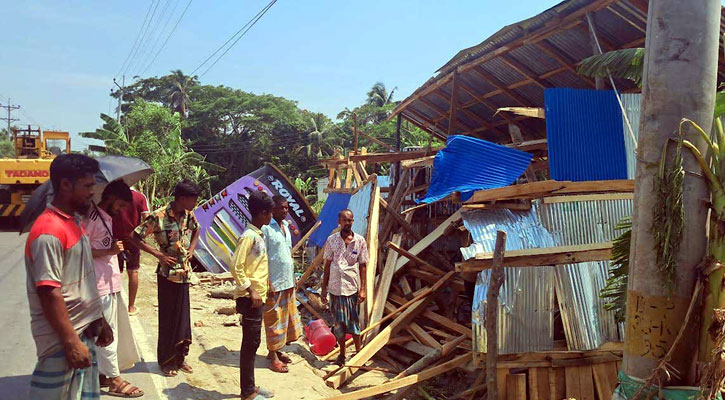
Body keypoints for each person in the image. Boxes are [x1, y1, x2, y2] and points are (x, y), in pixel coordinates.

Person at [25, 154, 113, 399]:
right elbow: (49, 291)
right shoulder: (48, 232)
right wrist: (71, 342)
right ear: (65, 184)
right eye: (86, 186)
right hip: (62, 339)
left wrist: (98, 319)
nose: (92, 192)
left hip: (83, 330)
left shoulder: (73, 222)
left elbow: (82, 280)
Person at [129, 179, 201, 377]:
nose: (195, 203)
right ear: (182, 198)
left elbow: (197, 230)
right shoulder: (158, 216)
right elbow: (134, 237)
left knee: (183, 320)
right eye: (193, 199)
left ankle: (180, 358)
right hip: (167, 275)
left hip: (184, 275)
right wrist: (158, 255)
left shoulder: (188, 215)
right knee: (168, 319)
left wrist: (192, 250)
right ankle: (166, 361)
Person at [86, 180, 144, 398]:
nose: (120, 210)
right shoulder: (92, 218)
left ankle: (103, 372)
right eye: (120, 205)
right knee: (106, 334)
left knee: (111, 331)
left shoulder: (105, 217)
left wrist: (111, 250)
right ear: (110, 198)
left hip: (110, 283)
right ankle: (114, 379)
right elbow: (79, 248)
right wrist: (108, 250)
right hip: (98, 285)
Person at [230, 191, 276, 400]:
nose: (271, 217)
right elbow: (236, 266)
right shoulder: (248, 237)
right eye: (269, 213)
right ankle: (247, 392)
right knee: (250, 344)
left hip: (258, 296)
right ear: (261, 213)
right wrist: (251, 289)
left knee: (253, 342)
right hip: (250, 299)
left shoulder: (258, 235)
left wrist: (267, 285)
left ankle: (251, 386)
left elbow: (256, 266)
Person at [260, 195, 303, 373]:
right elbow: (261, 257)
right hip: (274, 282)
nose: (285, 211)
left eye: (287, 208)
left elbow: (287, 254)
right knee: (273, 320)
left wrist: (293, 277)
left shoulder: (285, 226)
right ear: (272, 209)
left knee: (285, 320)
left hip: (287, 281)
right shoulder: (265, 229)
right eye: (282, 208)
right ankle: (273, 357)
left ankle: (277, 351)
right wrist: (267, 281)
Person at [321, 209, 368, 366]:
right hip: (335, 289)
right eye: (345, 220)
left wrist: (363, 289)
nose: (348, 223)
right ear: (339, 221)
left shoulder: (359, 241)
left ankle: (358, 352)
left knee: (353, 323)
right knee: (339, 324)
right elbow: (326, 265)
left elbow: (363, 266)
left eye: (350, 220)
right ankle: (341, 355)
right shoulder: (332, 240)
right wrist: (323, 289)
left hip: (351, 289)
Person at [112, 187, 149, 316]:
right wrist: (142, 235)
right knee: (133, 271)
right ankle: (131, 306)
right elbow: (147, 218)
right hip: (133, 239)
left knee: (116, 272)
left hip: (115, 238)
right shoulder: (140, 197)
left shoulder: (114, 196)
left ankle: (115, 304)